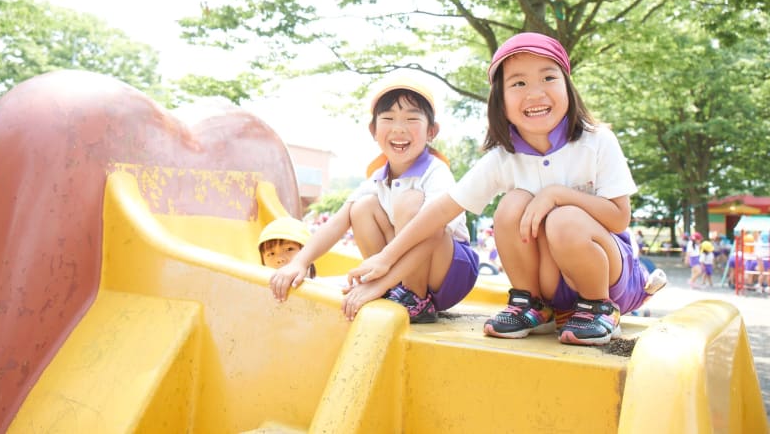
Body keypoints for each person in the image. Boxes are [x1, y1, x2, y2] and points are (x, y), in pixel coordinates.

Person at [343, 32, 663, 346]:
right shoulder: (503, 158)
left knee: (563, 219)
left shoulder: (596, 141)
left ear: (567, 86)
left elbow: (619, 218)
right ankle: (530, 303)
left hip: (607, 276)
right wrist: (386, 259)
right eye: (519, 83)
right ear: (500, 99)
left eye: (548, 77)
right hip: (552, 283)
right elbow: (443, 209)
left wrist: (556, 195)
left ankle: (598, 308)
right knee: (512, 203)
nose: (535, 93)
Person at [269, 76, 480, 323]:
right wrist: (301, 262)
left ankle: (414, 298)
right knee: (361, 208)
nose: (399, 128)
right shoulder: (378, 179)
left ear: (431, 131)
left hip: (448, 270)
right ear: (374, 130)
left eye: (412, 119)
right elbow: (339, 221)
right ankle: (396, 290)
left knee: (411, 203)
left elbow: (434, 231)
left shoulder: (436, 172)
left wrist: (379, 281)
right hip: (405, 266)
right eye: (388, 119)